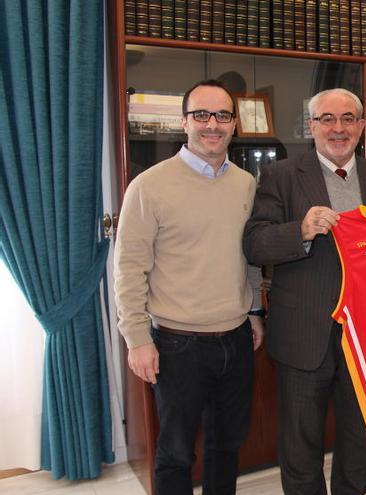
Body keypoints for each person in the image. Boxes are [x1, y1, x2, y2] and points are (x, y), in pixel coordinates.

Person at [243, 88, 366, 495]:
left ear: (360, 126)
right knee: (300, 447)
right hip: (304, 332)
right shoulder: (281, 175)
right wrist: (299, 229)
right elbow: (255, 243)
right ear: (311, 126)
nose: (339, 128)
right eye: (328, 120)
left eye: (349, 118)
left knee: (359, 443)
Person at [114, 79, 266, 494]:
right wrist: (137, 339)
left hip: (235, 342)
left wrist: (253, 311)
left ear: (235, 124)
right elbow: (128, 269)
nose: (212, 124)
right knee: (176, 452)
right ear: (184, 122)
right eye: (202, 114)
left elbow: (248, 254)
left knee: (226, 445)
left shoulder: (245, 184)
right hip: (177, 346)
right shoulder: (149, 186)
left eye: (222, 115)